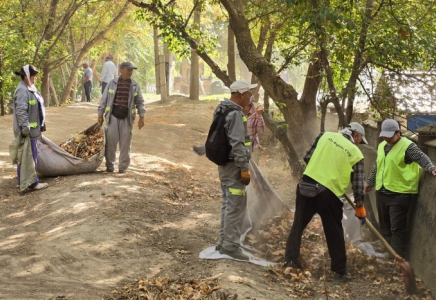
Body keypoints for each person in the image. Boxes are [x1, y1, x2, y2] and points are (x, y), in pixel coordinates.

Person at [284, 123, 367, 284]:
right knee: (334, 232)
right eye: (360, 141)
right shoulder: (356, 153)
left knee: (298, 225)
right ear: (355, 135)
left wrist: (322, 169)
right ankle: (339, 273)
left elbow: (308, 156)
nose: (359, 144)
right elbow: (357, 184)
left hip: (306, 186)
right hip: (329, 195)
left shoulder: (325, 135)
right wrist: (360, 205)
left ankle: (291, 262)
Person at [365, 119, 436, 258]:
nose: (387, 138)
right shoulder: (382, 146)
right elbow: (378, 166)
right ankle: (388, 251)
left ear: (398, 133)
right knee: (384, 225)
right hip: (382, 191)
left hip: (400, 194)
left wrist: (431, 168)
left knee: (397, 227)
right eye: (384, 135)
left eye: (390, 135)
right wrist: (370, 182)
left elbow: (422, 158)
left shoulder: (407, 146)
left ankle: (397, 257)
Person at [215, 80, 256, 261]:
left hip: (225, 166)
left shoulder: (222, 108)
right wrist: (244, 169)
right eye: (248, 93)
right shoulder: (235, 114)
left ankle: (223, 242)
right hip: (234, 167)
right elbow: (238, 144)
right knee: (235, 206)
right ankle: (231, 246)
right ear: (239, 95)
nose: (250, 96)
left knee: (227, 203)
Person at [97, 61, 145, 173]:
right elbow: (103, 100)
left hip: (127, 119)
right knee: (110, 143)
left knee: (125, 144)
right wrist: (100, 114)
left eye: (131, 70)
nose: (130, 72)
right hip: (112, 117)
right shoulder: (111, 83)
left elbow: (140, 102)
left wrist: (142, 117)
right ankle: (110, 165)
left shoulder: (134, 86)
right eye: (128, 69)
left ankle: (123, 167)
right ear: (121, 70)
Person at [12, 64, 48, 191]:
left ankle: (21, 180)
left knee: (25, 155)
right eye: (33, 76)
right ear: (26, 77)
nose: (35, 78)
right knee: (30, 156)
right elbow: (21, 111)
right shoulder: (22, 91)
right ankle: (33, 183)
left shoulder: (30, 88)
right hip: (27, 131)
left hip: (32, 130)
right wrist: (25, 127)